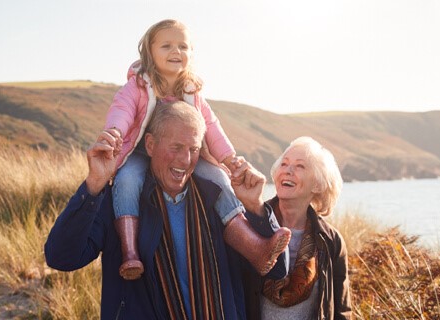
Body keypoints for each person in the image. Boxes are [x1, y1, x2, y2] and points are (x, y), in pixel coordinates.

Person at [44, 101, 289, 319]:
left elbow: (276, 270)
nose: (185, 160)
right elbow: (62, 257)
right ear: (150, 145)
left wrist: (255, 207)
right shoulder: (120, 202)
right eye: (176, 147)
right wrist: (94, 185)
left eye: (193, 149)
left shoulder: (219, 200)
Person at [101, 19, 290, 280]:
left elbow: (211, 126)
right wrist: (114, 133)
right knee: (127, 181)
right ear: (149, 50)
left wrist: (228, 158)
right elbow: (122, 110)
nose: (176, 51)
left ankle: (254, 247)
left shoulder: (192, 92)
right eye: (166, 45)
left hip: (187, 153)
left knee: (219, 178)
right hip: (140, 152)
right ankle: (130, 252)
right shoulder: (139, 86)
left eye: (183, 46)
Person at [237, 137, 352, 320]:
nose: (288, 171)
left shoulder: (331, 241)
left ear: (317, 184)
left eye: (300, 166)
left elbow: (342, 310)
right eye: (284, 164)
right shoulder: (249, 224)